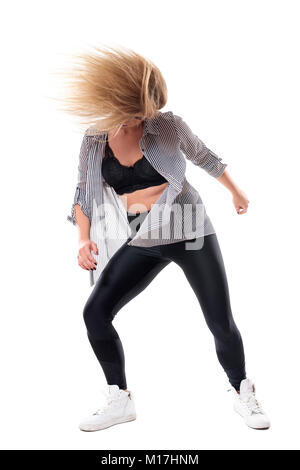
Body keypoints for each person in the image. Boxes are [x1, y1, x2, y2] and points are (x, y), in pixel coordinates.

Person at [62, 45, 270, 431]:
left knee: (220, 321)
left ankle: (243, 392)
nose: (145, 117)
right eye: (137, 112)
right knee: (95, 313)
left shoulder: (167, 125)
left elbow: (203, 156)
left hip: (190, 229)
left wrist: (235, 192)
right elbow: (83, 194)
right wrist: (82, 240)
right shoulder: (94, 141)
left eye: (147, 111)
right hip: (145, 237)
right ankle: (119, 399)